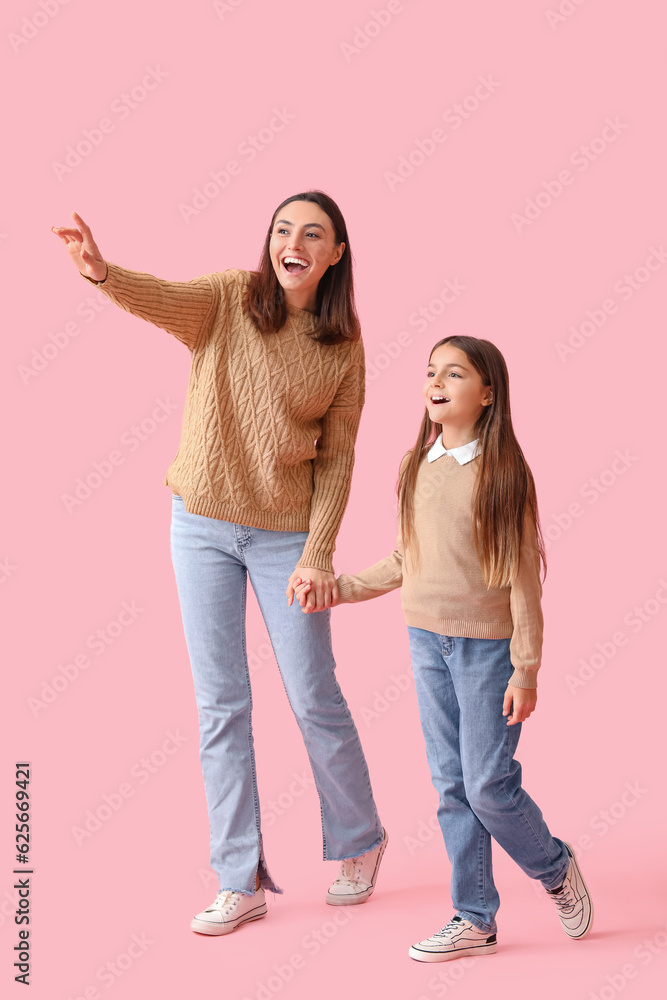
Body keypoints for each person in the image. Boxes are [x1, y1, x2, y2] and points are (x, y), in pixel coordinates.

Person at [51, 192, 387, 937]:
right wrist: (101, 271)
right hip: (199, 525)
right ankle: (239, 879)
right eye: (281, 229)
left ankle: (359, 840)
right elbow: (163, 300)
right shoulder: (230, 299)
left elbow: (336, 460)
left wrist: (317, 553)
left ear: (334, 254)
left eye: (312, 234)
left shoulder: (343, 344)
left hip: (284, 539)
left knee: (312, 694)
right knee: (220, 707)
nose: (291, 242)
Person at [292, 335, 593, 962]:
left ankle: (554, 866)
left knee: (488, 786)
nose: (437, 381)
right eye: (432, 371)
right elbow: (407, 559)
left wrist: (526, 670)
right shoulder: (415, 466)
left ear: (487, 394)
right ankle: (474, 917)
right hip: (426, 644)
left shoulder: (505, 474)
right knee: (451, 787)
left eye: (454, 373)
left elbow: (522, 580)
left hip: (488, 653)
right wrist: (340, 588)